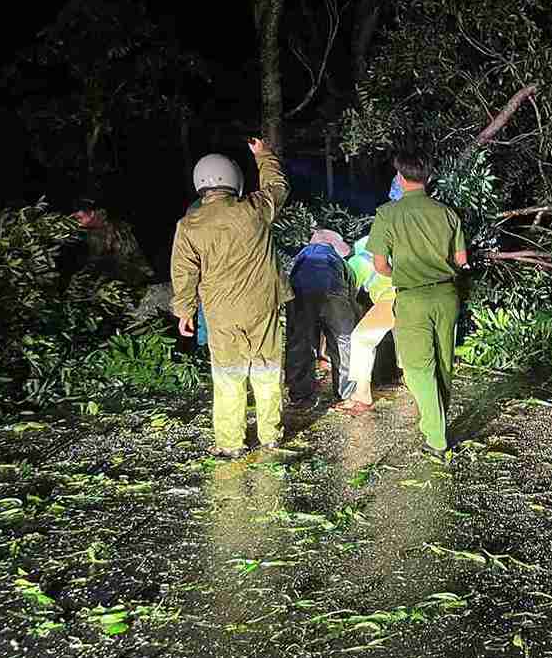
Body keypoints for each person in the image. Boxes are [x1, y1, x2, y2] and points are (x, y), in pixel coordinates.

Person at [171, 139, 290, 458]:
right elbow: (278, 186)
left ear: (200, 185)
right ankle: (270, 436)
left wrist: (184, 311)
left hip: (220, 312)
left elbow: (184, 273)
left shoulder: (189, 225)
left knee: (227, 376)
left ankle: (230, 443)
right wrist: (263, 155)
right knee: (266, 371)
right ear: (234, 181)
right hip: (263, 306)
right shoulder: (255, 208)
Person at [366, 151, 467, 454]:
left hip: (412, 297)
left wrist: (408, 272)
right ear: (429, 179)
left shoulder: (387, 213)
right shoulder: (447, 213)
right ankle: (437, 422)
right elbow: (462, 261)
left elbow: (380, 266)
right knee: (443, 363)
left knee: (417, 367)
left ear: (399, 178)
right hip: (447, 296)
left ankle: (436, 438)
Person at [284, 229, 356, 410]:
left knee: (300, 343)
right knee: (343, 341)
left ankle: (300, 396)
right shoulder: (337, 258)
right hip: (335, 294)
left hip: (300, 295)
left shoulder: (301, 257)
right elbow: (351, 286)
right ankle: (346, 394)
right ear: (333, 244)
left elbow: (288, 280)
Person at [340, 233, 397, 414]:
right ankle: (411, 382)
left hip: (390, 299)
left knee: (361, 339)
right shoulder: (392, 256)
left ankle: (361, 395)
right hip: (411, 297)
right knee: (403, 339)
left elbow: (348, 295)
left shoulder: (358, 261)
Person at [72, 201, 154, 287]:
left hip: (134, 274)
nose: (74, 216)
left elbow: (131, 255)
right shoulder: (87, 234)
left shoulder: (118, 229)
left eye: (80, 212)